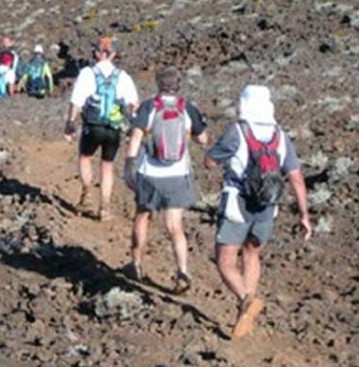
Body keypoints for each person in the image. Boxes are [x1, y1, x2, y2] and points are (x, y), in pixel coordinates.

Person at [204, 85, 311, 338]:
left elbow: (209, 162)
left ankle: (245, 300)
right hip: (266, 208)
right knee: (252, 255)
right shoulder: (280, 136)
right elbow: (295, 177)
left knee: (225, 261)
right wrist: (304, 214)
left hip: (236, 205)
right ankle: (245, 313)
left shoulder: (237, 131)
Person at [123, 65, 208, 294]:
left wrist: (129, 164)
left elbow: (136, 136)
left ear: (158, 83)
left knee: (142, 217)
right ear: (179, 84)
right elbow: (203, 139)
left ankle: (136, 264)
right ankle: (182, 271)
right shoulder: (187, 108)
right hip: (177, 175)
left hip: (150, 173)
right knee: (175, 226)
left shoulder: (149, 107)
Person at [64, 36, 139, 221]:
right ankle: (105, 207)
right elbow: (134, 105)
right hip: (114, 128)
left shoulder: (87, 73)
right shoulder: (123, 76)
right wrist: (133, 128)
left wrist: (70, 122)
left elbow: (76, 101)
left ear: (97, 53)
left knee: (85, 157)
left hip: (93, 125)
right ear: (113, 54)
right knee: (107, 165)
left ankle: (86, 195)